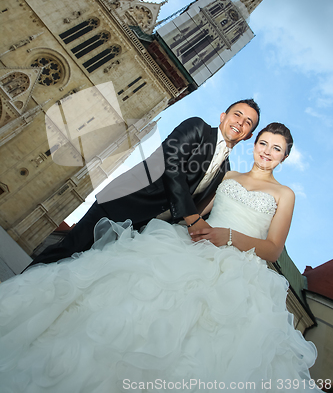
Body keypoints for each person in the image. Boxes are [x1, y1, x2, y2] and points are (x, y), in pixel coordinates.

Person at [0, 122, 320, 392]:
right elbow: (193, 211)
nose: (267, 151)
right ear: (254, 144)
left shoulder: (284, 194)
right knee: (127, 306)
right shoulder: (227, 177)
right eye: (263, 142)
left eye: (276, 148)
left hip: (237, 269)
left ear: (285, 156)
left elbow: (273, 248)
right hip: (190, 246)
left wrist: (230, 237)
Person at [29, 98, 260, 266]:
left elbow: (203, 206)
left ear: (248, 135)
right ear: (223, 117)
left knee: (88, 272)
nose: (240, 122)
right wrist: (193, 219)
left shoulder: (225, 171)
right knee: (66, 252)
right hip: (123, 202)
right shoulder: (197, 127)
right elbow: (170, 164)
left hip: (144, 232)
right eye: (237, 114)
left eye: (248, 122)